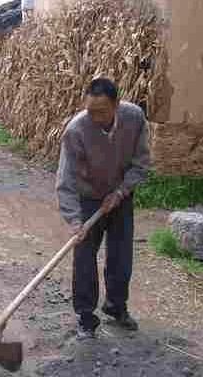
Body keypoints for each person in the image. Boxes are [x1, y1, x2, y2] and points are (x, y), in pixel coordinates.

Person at [56, 77, 151, 339]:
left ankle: (116, 306)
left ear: (117, 105)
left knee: (121, 256)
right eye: (90, 111)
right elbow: (65, 182)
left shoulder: (134, 118)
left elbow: (141, 163)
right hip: (89, 199)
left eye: (102, 112)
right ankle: (86, 316)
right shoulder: (76, 130)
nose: (95, 117)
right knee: (84, 258)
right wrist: (75, 221)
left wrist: (121, 192)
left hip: (121, 196)